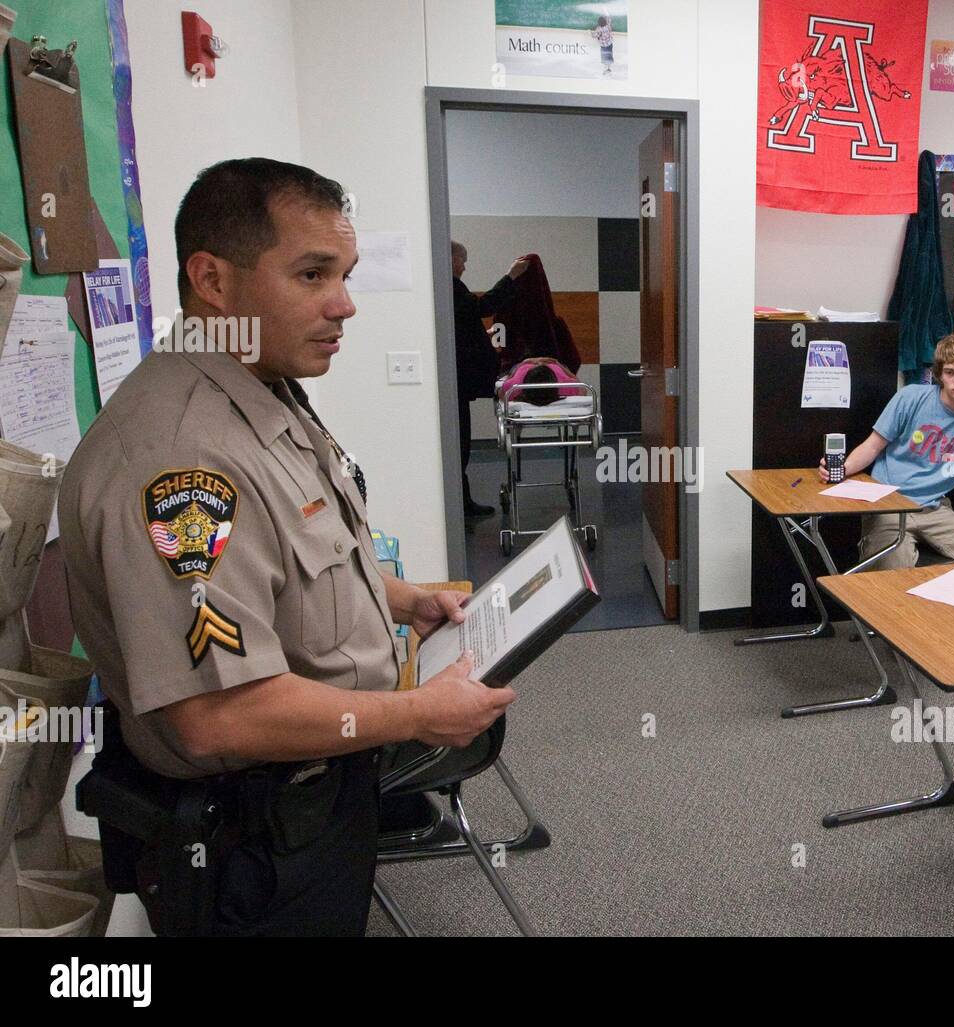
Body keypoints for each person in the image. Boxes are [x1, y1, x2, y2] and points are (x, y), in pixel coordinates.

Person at [60, 159, 516, 936]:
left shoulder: (260, 383)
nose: (344, 305)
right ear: (213, 279)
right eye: (312, 274)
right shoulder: (181, 460)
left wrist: (405, 600)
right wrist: (415, 713)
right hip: (256, 834)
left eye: (345, 273)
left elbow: (297, 559)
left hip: (315, 790)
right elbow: (217, 716)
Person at [819, 332, 954, 568]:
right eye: (950, 372)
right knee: (892, 574)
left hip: (935, 508)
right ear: (940, 376)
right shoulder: (911, 397)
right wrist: (844, 469)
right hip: (889, 504)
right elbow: (872, 445)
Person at [452, 241, 528, 517]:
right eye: (462, 260)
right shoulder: (451, 287)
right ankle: (462, 505)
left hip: (460, 380)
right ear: (451, 260)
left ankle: (464, 502)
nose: (464, 266)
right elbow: (484, 306)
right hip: (457, 381)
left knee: (460, 443)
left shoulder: (451, 288)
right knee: (458, 444)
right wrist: (511, 277)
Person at [500, 355, 584, 407]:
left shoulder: (515, 387)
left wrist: (523, 363)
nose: (539, 363)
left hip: (524, 366)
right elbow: (581, 388)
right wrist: (558, 364)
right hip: (553, 366)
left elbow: (502, 390)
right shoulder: (565, 385)